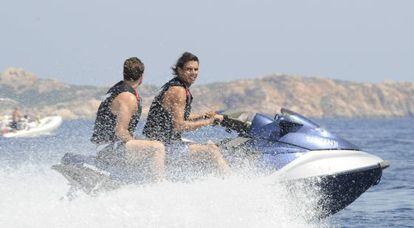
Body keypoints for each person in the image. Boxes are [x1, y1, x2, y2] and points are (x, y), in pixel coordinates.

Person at [143, 52, 230, 175]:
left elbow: (179, 117)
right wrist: (208, 122)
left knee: (209, 146)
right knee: (212, 151)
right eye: (189, 69)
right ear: (179, 70)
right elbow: (179, 125)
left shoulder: (177, 86)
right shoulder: (178, 91)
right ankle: (229, 181)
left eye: (196, 69)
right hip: (164, 146)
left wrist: (203, 116)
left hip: (166, 142)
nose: (193, 73)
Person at [90, 57, 166, 182]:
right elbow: (120, 132)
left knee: (149, 143)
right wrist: (136, 141)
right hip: (107, 149)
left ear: (124, 73)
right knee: (157, 147)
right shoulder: (128, 97)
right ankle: (159, 186)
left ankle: (140, 182)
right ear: (141, 77)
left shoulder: (117, 89)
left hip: (105, 146)